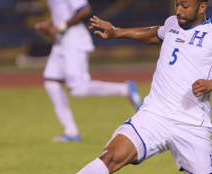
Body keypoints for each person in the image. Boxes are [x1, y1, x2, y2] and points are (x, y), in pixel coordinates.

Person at [21, 0, 212, 174]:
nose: (178, 10)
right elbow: (154, 33)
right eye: (177, 3)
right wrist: (117, 32)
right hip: (153, 116)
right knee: (110, 157)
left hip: (191, 125)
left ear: (202, 7)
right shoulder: (172, 24)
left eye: (185, 5)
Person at [34, 0, 142, 142]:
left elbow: (84, 10)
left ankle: (125, 89)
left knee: (78, 89)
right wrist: (48, 25)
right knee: (51, 83)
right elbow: (63, 13)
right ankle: (71, 132)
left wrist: (61, 26)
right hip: (61, 41)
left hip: (74, 39)